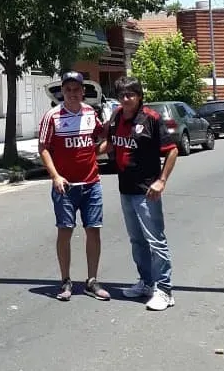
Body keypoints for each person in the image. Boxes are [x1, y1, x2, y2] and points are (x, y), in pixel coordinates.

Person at [100, 76, 178, 311]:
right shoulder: (115, 117)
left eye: (130, 95)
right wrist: (88, 154)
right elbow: (110, 144)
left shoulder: (151, 119)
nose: (126, 99)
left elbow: (172, 150)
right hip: (126, 189)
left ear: (139, 96)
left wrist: (162, 181)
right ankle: (146, 283)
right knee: (137, 241)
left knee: (156, 241)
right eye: (122, 95)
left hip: (147, 191)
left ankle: (165, 291)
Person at [38, 70, 110, 302]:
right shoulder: (52, 116)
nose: (72, 93)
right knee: (65, 231)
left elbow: (100, 137)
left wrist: (103, 148)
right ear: (62, 92)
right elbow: (44, 148)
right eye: (67, 90)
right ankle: (65, 280)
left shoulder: (91, 112)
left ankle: (91, 281)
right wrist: (56, 176)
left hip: (91, 184)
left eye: (76, 89)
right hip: (65, 187)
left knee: (93, 230)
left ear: (82, 91)